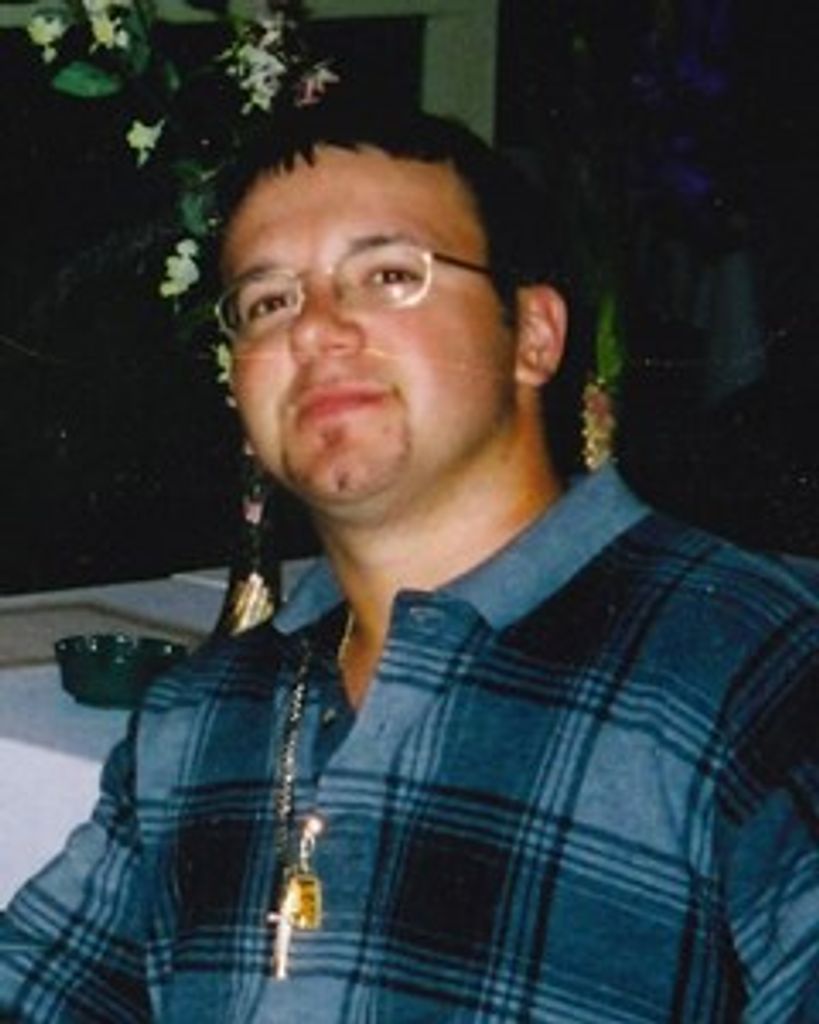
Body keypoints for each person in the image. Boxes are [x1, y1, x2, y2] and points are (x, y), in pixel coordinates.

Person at [2, 103, 818, 1023]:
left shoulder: (743, 667)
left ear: (534, 334)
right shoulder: (203, 717)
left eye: (388, 275)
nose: (313, 329)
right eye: (268, 301)